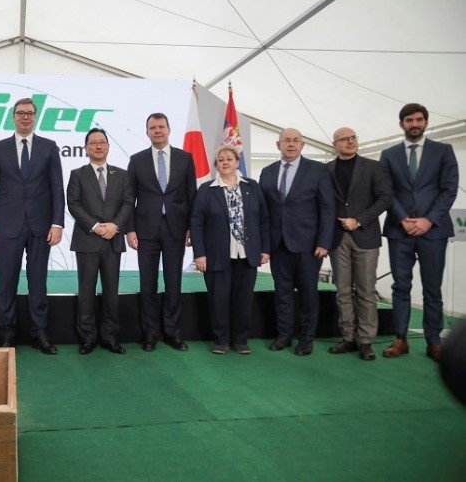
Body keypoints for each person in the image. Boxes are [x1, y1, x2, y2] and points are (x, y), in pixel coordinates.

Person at [0, 98, 65, 354]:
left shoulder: (49, 147)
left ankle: (39, 332)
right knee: (6, 281)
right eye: (20, 113)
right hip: (7, 225)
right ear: (13, 117)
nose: (25, 117)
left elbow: (57, 188)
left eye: (29, 113)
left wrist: (57, 223)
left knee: (38, 282)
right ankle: (7, 332)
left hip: (41, 226)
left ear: (35, 116)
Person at [379, 103, 459, 362]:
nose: (414, 124)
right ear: (401, 124)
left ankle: (434, 341)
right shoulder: (388, 154)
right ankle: (400, 339)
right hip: (399, 230)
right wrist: (403, 218)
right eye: (409, 120)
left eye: (419, 119)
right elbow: (386, 191)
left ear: (426, 122)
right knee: (400, 286)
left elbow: (449, 189)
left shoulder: (443, 151)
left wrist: (429, 220)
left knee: (432, 288)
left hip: (433, 231)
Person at [259, 128, 335, 356]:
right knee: (282, 293)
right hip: (278, 245)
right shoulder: (267, 172)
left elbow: (327, 208)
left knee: (308, 295)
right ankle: (284, 336)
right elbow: (263, 212)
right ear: (278, 145)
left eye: (295, 141)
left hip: (309, 246)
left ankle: (306, 339)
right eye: (286, 140)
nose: (291, 144)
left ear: (302, 145)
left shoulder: (318, 170)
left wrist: (324, 242)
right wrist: (264, 246)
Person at [126, 112, 197, 352]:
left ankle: (173, 333)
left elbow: (192, 195)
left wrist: (191, 228)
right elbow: (129, 198)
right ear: (147, 132)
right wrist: (130, 229)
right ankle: (150, 334)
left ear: (169, 129)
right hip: (145, 230)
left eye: (161, 127)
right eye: (152, 127)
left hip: (176, 229)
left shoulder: (185, 158)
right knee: (148, 284)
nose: (157, 131)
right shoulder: (137, 160)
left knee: (173, 282)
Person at [191, 145, 269, 355]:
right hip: (216, 255)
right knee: (218, 300)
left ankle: (241, 340)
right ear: (216, 165)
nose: (225, 162)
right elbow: (196, 223)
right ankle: (221, 340)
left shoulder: (252, 187)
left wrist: (265, 249)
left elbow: (264, 220)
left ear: (237, 162)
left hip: (248, 255)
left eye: (229, 159)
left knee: (243, 300)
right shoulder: (206, 190)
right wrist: (199, 254)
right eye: (221, 160)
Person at [326, 127, 393, 361]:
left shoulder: (374, 167)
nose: (350, 142)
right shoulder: (326, 170)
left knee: (366, 291)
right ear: (334, 144)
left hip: (365, 235)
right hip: (336, 237)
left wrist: (359, 220)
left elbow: (385, 198)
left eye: (353, 137)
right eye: (344, 139)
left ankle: (365, 341)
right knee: (343, 291)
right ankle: (348, 337)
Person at [67, 129, 134, 355]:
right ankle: (87, 337)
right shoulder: (77, 174)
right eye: (93, 143)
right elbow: (73, 204)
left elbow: (128, 203)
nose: (98, 146)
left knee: (111, 292)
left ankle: (110, 336)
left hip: (113, 240)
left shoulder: (122, 175)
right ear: (86, 148)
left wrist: (115, 225)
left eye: (102, 142)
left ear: (108, 146)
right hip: (87, 239)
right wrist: (95, 226)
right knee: (86, 291)